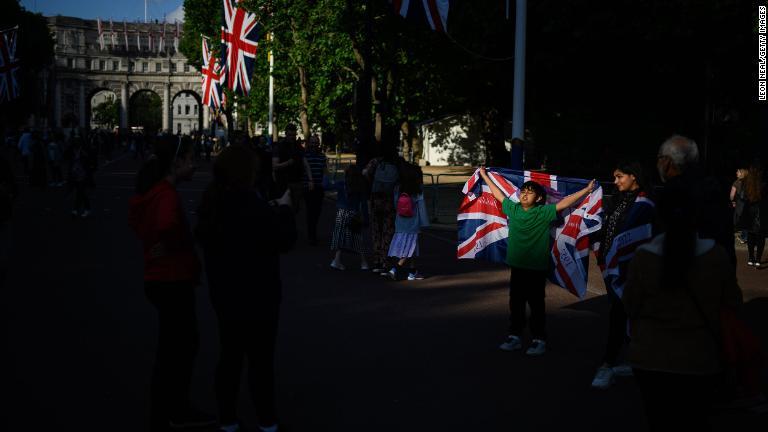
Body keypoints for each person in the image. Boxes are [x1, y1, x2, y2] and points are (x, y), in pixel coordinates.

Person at [623, 179, 743, 432]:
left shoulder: (644, 256)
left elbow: (630, 304)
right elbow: (733, 302)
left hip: (649, 356)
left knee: (658, 419)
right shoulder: (716, 255)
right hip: (699, 357)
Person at [196, 145, 295, 432]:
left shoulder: (214, 201)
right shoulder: (252, 205)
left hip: (225, 294)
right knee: (260, 362)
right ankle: (267, 421)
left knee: (229, 357)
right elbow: (284, 240)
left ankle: (227, 418)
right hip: (259, 296)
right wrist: (286, 210)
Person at [128, 137, 214, 431]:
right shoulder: (166, 194)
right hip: (172, 278)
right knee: (179, 348)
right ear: (176, 163)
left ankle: (166, 409)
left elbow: (141, 223)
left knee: (174, 347)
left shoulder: (155, 191)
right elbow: (166, 226)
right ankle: (175, 409)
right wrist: (176, 245)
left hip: (161, 277)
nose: (195, 163)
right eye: (190, 159)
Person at [479, 166, 595, 356]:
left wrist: (587, 190)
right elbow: (498, 194)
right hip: (517, 266)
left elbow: (564, 203)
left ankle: (538, 338)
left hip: (536, 268)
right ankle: (514, 336)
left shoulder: (543, 212)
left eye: (530, 193)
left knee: (536, 304)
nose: (524, 195)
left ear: (539, 198)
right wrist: (484, 175)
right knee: (515, 302)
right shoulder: (513, 208)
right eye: (523, 191)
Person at [591, 162, 656, 389]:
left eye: (620, 177)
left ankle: (608, 364)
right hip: (613, 267)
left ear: (634, 176)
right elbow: (608, 228)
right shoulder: (619, 201)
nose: (616, 181)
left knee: (620, 315)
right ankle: (634, 360)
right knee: (623, 315)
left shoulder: (645, 205)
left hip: (631, 271)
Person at [656, 135, 736, 266]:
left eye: (659, 158)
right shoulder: (715, 191)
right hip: (715, 274)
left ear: (667, 161)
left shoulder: (671, 195)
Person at [385, 162, 428, 281]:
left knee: (411, 247)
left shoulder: (398, 188)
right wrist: (424, 223)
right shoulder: (417, 189)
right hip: (413, 223)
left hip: (400, 221)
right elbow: (421, 207)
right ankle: (395, 269)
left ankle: (412, 272)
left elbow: (395, 204)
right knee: (410, 248)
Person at [364, 140, 400, 274]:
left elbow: (365, 174)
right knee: (388, 231)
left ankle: (377, 260)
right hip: (390, 201)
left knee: (376, 231)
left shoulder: (375, 162)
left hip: (375, 200)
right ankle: (386, 261)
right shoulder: (396, 162)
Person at [329, 165, 370, 270]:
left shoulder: (342, 183)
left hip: (341, 213)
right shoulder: (360, 186)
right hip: (353, 214)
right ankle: (363, 262)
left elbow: (326, 185)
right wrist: (366, 219)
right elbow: (364, 204)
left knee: (340, 238)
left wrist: (332, 175)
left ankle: (336, 260)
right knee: (357, 238)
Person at [272, 124, 312, 212]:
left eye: (294, 135)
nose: (292, 137)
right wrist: (287, 163)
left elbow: (305, 163)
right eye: (290, 135)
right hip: (283, 182)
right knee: (284, 208)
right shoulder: (279, 146)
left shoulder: (298, 147)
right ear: (286, 134)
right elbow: (275, 166)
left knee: (295, 208)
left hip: (297, 181)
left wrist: (310, 180)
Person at [742, 161, 767, 267]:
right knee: (761, 236)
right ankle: (758, 259)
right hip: (761, 211)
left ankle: (751, 257)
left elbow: (744, 198)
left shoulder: (746, 183)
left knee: (751, 235)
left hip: (750, 211)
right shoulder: (763, 184)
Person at [303, 135, 326, 245]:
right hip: (308, 187)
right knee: (310, 211)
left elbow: (325, 171)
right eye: (312, 143)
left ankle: (312, 232)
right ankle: (311, 235)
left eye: (316, 143)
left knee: (317, 212)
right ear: (309, 143)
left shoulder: (322, 157)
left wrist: (326, 182)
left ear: (318, 144)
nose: (314, 145)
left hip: (319, 187)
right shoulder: (305, 156)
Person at [67, 137, 91, 218]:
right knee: (79, 192)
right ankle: (82, 209)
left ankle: (78, 209)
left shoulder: (83, 151)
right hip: (75, 174)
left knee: (81, 192)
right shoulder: (72, 151)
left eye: (77, 143)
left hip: (82, 174)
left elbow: (88, 162)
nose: (75, 144)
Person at [731, 167, 749, 244]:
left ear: (741, 173)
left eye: (738, 172)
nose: (736, 173)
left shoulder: (736, 182)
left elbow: (732, 195)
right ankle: (746, 236)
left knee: (739, 219)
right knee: (748, 219)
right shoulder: (749, 182)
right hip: (749, 204)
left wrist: (733, 201)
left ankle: (744, 237)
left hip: (740, 204)